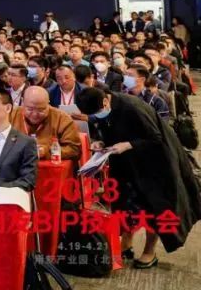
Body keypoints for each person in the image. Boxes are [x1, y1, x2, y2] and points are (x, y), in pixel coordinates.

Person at [77, 86, 201, 268]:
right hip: (126, 162)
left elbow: (156, 138)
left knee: (153, 209)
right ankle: (127, 243)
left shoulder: (132, 107)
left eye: (98, 112)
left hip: (155, 163)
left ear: (105, 101)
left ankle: (149, 251)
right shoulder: (104, 108)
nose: (98, 116)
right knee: (126, 205)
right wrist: (101, 142)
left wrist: (128, 145)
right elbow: (108, 129)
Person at [10, 86, 81, 160]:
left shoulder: (62, 119)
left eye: (41, 110)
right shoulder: (11, 116)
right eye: (30, 109)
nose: (35, 114)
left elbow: (74, 150)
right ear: (22, 102)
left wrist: (46, 152)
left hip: (50, 164)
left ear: (48, 104)